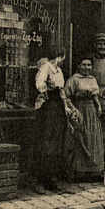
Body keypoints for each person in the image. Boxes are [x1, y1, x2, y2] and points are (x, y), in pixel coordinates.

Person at [64, 55, 105, 181]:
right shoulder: (74, 79)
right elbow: (66, 96)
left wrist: (98, 106)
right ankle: (79, 172)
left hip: (91, 111)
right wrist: (73, 109)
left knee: (93, 139)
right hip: (79, 109)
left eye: (89, 65)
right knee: (81, 138)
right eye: (84, 65)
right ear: (79, 66)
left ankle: (93, 171)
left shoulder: (92, 79)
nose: (87, 67)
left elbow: (95, 96)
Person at [34, 49, 68, 191]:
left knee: (56, 143)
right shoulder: (46, 67)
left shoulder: (58, 71)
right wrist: (47, 89)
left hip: (58, 106)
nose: (61, 60)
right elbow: (39, 84)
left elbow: (62, 90)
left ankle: (51, 179)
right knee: (46, 142)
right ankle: (41, 180)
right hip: (48, 106)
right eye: (61, 57)